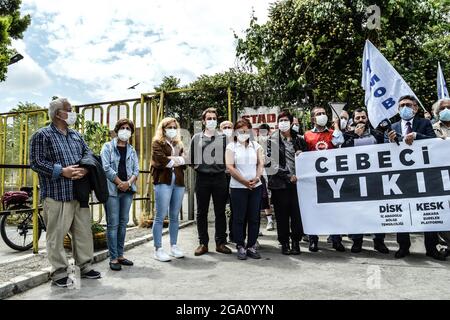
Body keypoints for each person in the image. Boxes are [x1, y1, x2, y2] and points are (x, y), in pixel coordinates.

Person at [30, 98, 101, 287]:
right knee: (56, 235)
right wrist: (62, 171)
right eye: (69, 110)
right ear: (58, 113)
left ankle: (84, 266)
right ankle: (59, 272)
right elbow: (36, 162)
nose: (72, 113)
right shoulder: (42, 135)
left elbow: (89, 155)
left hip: (78, 193)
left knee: (83, 232)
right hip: (56, 194)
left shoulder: (76, 135)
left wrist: (85, 169)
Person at [387, 95, 446, 261]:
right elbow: (384, 149)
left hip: (423, 175)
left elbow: (434, 142)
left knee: (428, 210)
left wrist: (417, 137)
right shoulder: (393, 126)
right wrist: (390, 141)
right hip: (401, 177)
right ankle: (403, 247)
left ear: (416, 108)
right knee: (403, 210)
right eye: (402, 105)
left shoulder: (424, 123)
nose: (405, 108)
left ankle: (431, 248)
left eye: (408, 105)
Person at [342, 108, 389, 254]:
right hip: (355, 180)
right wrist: (354, 136)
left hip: (375, 179)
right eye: (357, 118)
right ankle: (357, 241)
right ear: (353, 120)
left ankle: (379, 241)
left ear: (367, 118)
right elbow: (341, 151)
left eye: (363, 117)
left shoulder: (377, 133)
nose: (360, 120)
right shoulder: (347, 135)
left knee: (377, 211)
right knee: (357, 212)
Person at [190, 108, 232, 256]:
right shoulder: (196, 138)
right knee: (201, 212)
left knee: (220, 212)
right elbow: (192, 159)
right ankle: (203, 243)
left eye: (214, 118)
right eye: (209, 118)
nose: (212, 121)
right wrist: (201, 167)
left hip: (220, 178)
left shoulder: (224, 138)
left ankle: (220, 243)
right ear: (203, 121)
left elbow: (230, 158)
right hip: (202, 179)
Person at [303, 106, 344, 252]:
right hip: (313, 180)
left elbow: (340, 141)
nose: (322, 116)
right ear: (313, 119)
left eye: (323, 113)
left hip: (331, 179)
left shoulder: (333, 133)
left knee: (333, 210)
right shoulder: (307, 135)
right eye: (318, 114)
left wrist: (336, 125)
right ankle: (313, 240)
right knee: (313, 210)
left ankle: (336, 240)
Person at [267, 111, 308, 255]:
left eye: (285, 120)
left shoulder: (300, 139)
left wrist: (301, 153)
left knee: (297, 215)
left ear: (291, 122)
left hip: (299, 184)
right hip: (280, 184)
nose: (283, 122)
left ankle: (296, 242)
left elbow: (308, 160)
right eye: (280, 120)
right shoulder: (272, 140)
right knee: (282, 215)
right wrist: (288, 175)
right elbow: (271, 163)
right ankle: (284, 243)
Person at [101, 119, 139, 271]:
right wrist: (119, 183)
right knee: (113, 224)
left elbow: (136, 170)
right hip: (112, 190)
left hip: (127, 191)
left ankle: (121, 255)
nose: (125, 130)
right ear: (117, 130)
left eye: (128, 128)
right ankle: (113, 257)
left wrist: (128, 184)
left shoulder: (132, 150)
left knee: (123, 223)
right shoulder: (107, 147)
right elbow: (106, 167)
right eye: (122, 128)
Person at [226, 118, 265, 260]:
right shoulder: (231, 146)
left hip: (256, 186)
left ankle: (251, 245)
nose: (243, 132)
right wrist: (243, 181)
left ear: (250, 130)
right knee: (239, 218)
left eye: (245, 129)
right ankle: (240, 245)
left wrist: (257, 178)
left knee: (254, 218)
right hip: (238, 187)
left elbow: (261, 164)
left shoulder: (256, 146)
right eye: (240, 130)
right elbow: (230, 167)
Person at [151, 118, 187, 262]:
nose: (172, 129)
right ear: (163, 129)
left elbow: (186, 161)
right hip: (162, 181)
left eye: (174, 127)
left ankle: (174, 246)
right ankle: (158, 249)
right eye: (169, 127)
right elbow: (160, 160)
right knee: (160, 216)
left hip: (178, 181)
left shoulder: (179, 143)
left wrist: (176, 159)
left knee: (174, 216)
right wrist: (176, 159)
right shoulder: (157, 143)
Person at [257, 124, 275, 232]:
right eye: (261, 131)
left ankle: (270, 220)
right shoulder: (254, 143)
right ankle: (257, 226)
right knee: (261, 196)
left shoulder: (273, 142)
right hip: (260, 172)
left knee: (268, 196)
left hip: (272, 172)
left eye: (265, 131)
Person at [220, 121, 235, 242]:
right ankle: (222, 236)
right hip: (221, 178)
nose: (227, 129)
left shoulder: (238, 142)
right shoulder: (216, 143)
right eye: (224, 127)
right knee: (221, 208)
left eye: (229, 127)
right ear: (220, 130)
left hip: (235, 177)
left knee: (235, 207)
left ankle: (233, 234)